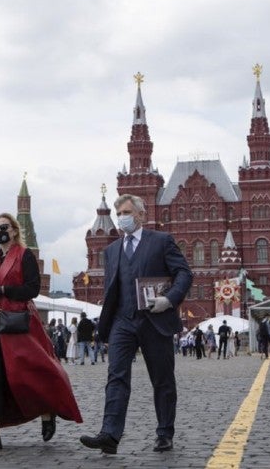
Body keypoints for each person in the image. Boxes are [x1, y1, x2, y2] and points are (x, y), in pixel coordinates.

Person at [0, 212, 82, 451]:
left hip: (20, 323)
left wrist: (1, 289)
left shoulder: (24, 255)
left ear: (13, 230)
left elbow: (31, 289)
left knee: (30, 373)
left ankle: (47, 411)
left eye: (3, 227)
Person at [80, 194, 193, 454]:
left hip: (156, 320)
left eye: (127, 212)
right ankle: (109, 434)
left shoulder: (161, 241)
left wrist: (170, 299)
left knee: (162, 379)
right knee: (116, 376)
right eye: (119, 213)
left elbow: (184, 273)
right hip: (122, 321)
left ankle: (165, 433)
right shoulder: (111, 251)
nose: (122, 218)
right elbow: (113, 288)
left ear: (141, 215)